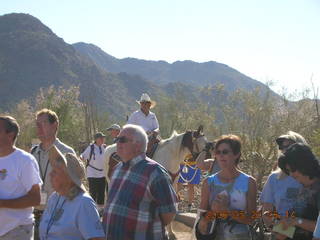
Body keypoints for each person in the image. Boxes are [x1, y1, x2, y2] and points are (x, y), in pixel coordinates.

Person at [103, 124, 177, 240]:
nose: (117, 143)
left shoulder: (155, 173)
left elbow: (169, 213)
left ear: (137, 145)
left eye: (122, 140)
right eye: (116, 139)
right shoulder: (117, 168)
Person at [196, 134, 257, 240]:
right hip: (214, 235)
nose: (221, 156)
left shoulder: (249, 182)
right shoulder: (209, 182)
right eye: (218, 152)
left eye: (225, 152)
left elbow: (251, 218)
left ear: (236, 154)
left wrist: (227, 211)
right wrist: (212, 213)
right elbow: (202, 218)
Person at [39, 146, 105, 240]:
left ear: (69, 178)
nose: (50, 174)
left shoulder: (83, 203)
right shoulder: (54, 198)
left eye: (55, 171)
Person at [31, 108, 76, 239]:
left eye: (43, 123)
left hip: (58, 217)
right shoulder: (33, 152)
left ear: (54, 125)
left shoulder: (66, 152)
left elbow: (75, 187)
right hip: (34, 215)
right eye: (37, 123)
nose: (38, 127)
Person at [0, 116, 42, 240]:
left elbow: (35, 198)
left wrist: (2, 203)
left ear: (10, 134)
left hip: (17, 231)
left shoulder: (25, 161)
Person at [260, 131, 307, 239]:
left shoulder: (313, 177)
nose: (285, 150)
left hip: (308, 234)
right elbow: (266, 210)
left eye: (289, 146)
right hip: (279, 234)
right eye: (282, 147)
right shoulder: (274, 178)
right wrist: (277, 229)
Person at [277, 143, 320, 240]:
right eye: (288, 170)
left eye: (293, 169)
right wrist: (282, 231)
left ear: (303, 164)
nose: (291, 174)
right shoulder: (304, 188)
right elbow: (293, 218)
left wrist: (297, 221)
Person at [80, 132, 107, 207]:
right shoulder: (91, 148)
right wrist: (81, 159)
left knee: (101, 193)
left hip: (102, 173)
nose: (102, 139)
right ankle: (92, 208)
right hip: (92, 173)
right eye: (100, 138)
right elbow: (82, 156)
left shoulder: (104, 147)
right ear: (96, 139)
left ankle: (100, 210)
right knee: (93, 192)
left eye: (103, 138)